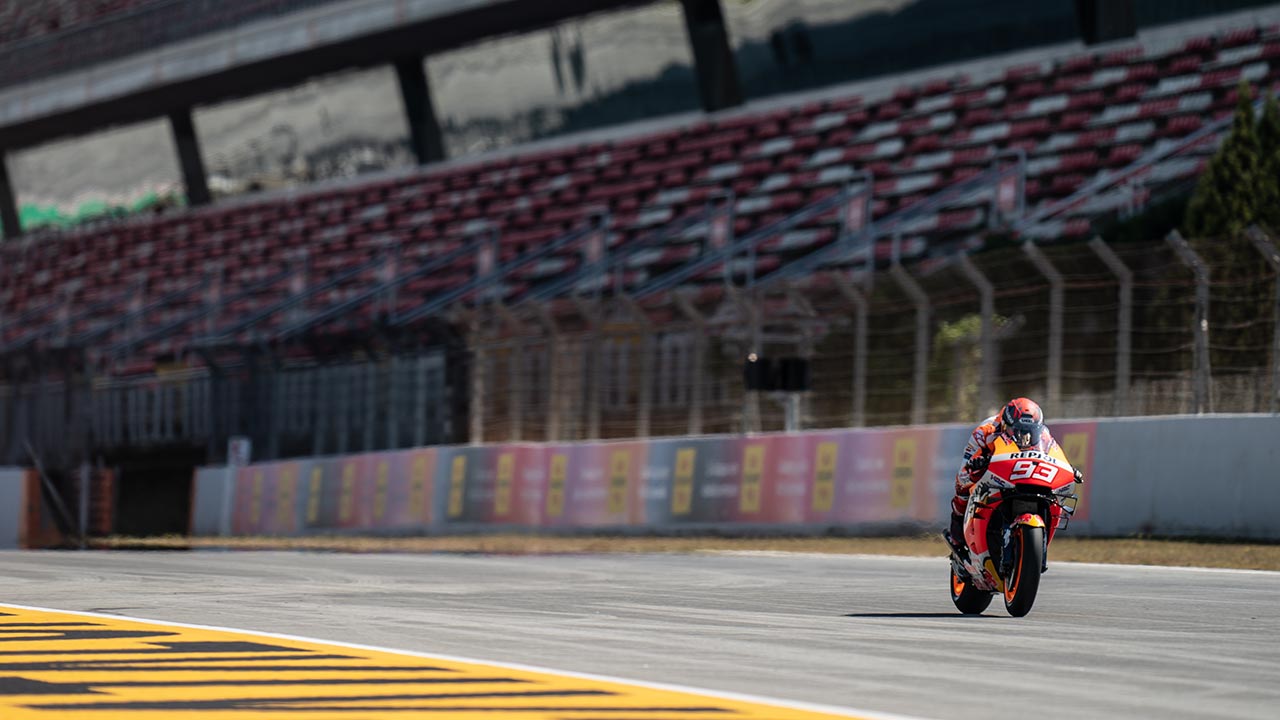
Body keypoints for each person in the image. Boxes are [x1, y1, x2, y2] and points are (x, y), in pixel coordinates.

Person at [944, 397, 1074, 555]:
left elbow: (1053, 453)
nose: (1023, 435)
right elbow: (964, 469)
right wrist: (976, 465)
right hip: (991, 470)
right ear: (1005, 424)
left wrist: (1068, 468)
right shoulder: (985, 431)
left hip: (1022, 475)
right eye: (1018, 430)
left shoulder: (1044, 434)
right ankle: (957, 533)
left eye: (1030, 431)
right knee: (962, 484)